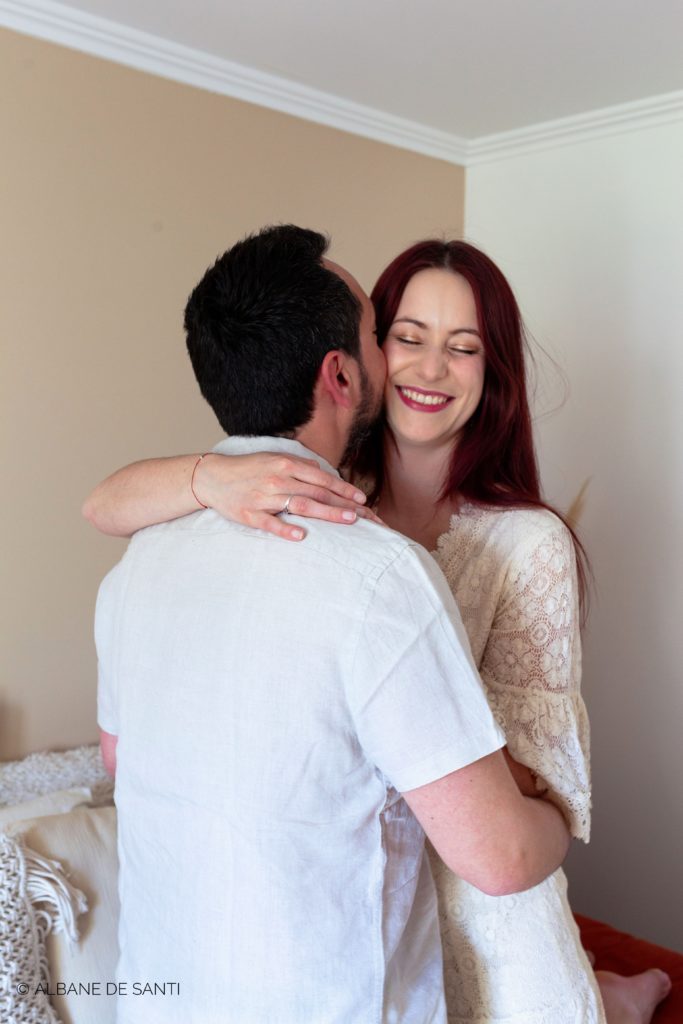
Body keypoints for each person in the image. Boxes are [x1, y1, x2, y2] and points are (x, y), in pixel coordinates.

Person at [86, 237, 672, 1024]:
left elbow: (537, 788)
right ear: (348, 368)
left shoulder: (518, 543)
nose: (430, 368)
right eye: (399, 337)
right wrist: (207, 474)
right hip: (384, 893)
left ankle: (614, 991)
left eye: (463, 348)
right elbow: (103, 506)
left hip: (465, 890)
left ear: (492, 371)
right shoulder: (300, 514)